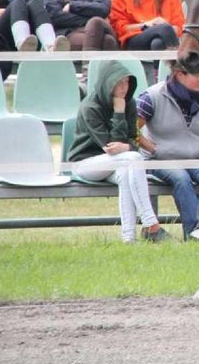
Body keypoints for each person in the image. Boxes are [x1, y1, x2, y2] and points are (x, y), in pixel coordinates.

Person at [68, 60, 170, 243]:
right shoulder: (90, 108)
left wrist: (128, 144)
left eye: (127, 82)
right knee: (133, 158)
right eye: (119, 83)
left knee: (126, 171)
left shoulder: (129, 103)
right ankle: (151, 223)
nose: (124, 87)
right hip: (85, 163)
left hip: (116, 162)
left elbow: (133, 136)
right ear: (108, 83)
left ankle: (128, 238)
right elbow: (110, 146)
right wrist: (118, 112)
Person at [137, 62, 199, 240]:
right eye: (196, 75)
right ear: (179, 74)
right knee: (181, 178)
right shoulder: (151, 97)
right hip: (161, 160)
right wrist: (154, 149)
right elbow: (130, 130)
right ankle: (193, 232)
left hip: (197, 157)